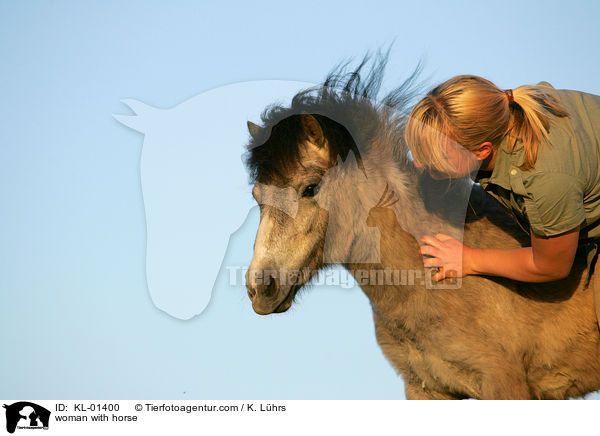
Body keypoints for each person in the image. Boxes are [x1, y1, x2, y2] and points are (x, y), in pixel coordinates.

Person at [404, 75, 600, 328]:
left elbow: (552, 265)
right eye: (418, 148)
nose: (420, 163)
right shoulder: (506, 110)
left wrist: (470, 260)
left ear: (482, 151)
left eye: (437, 156)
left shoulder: (544, 180)